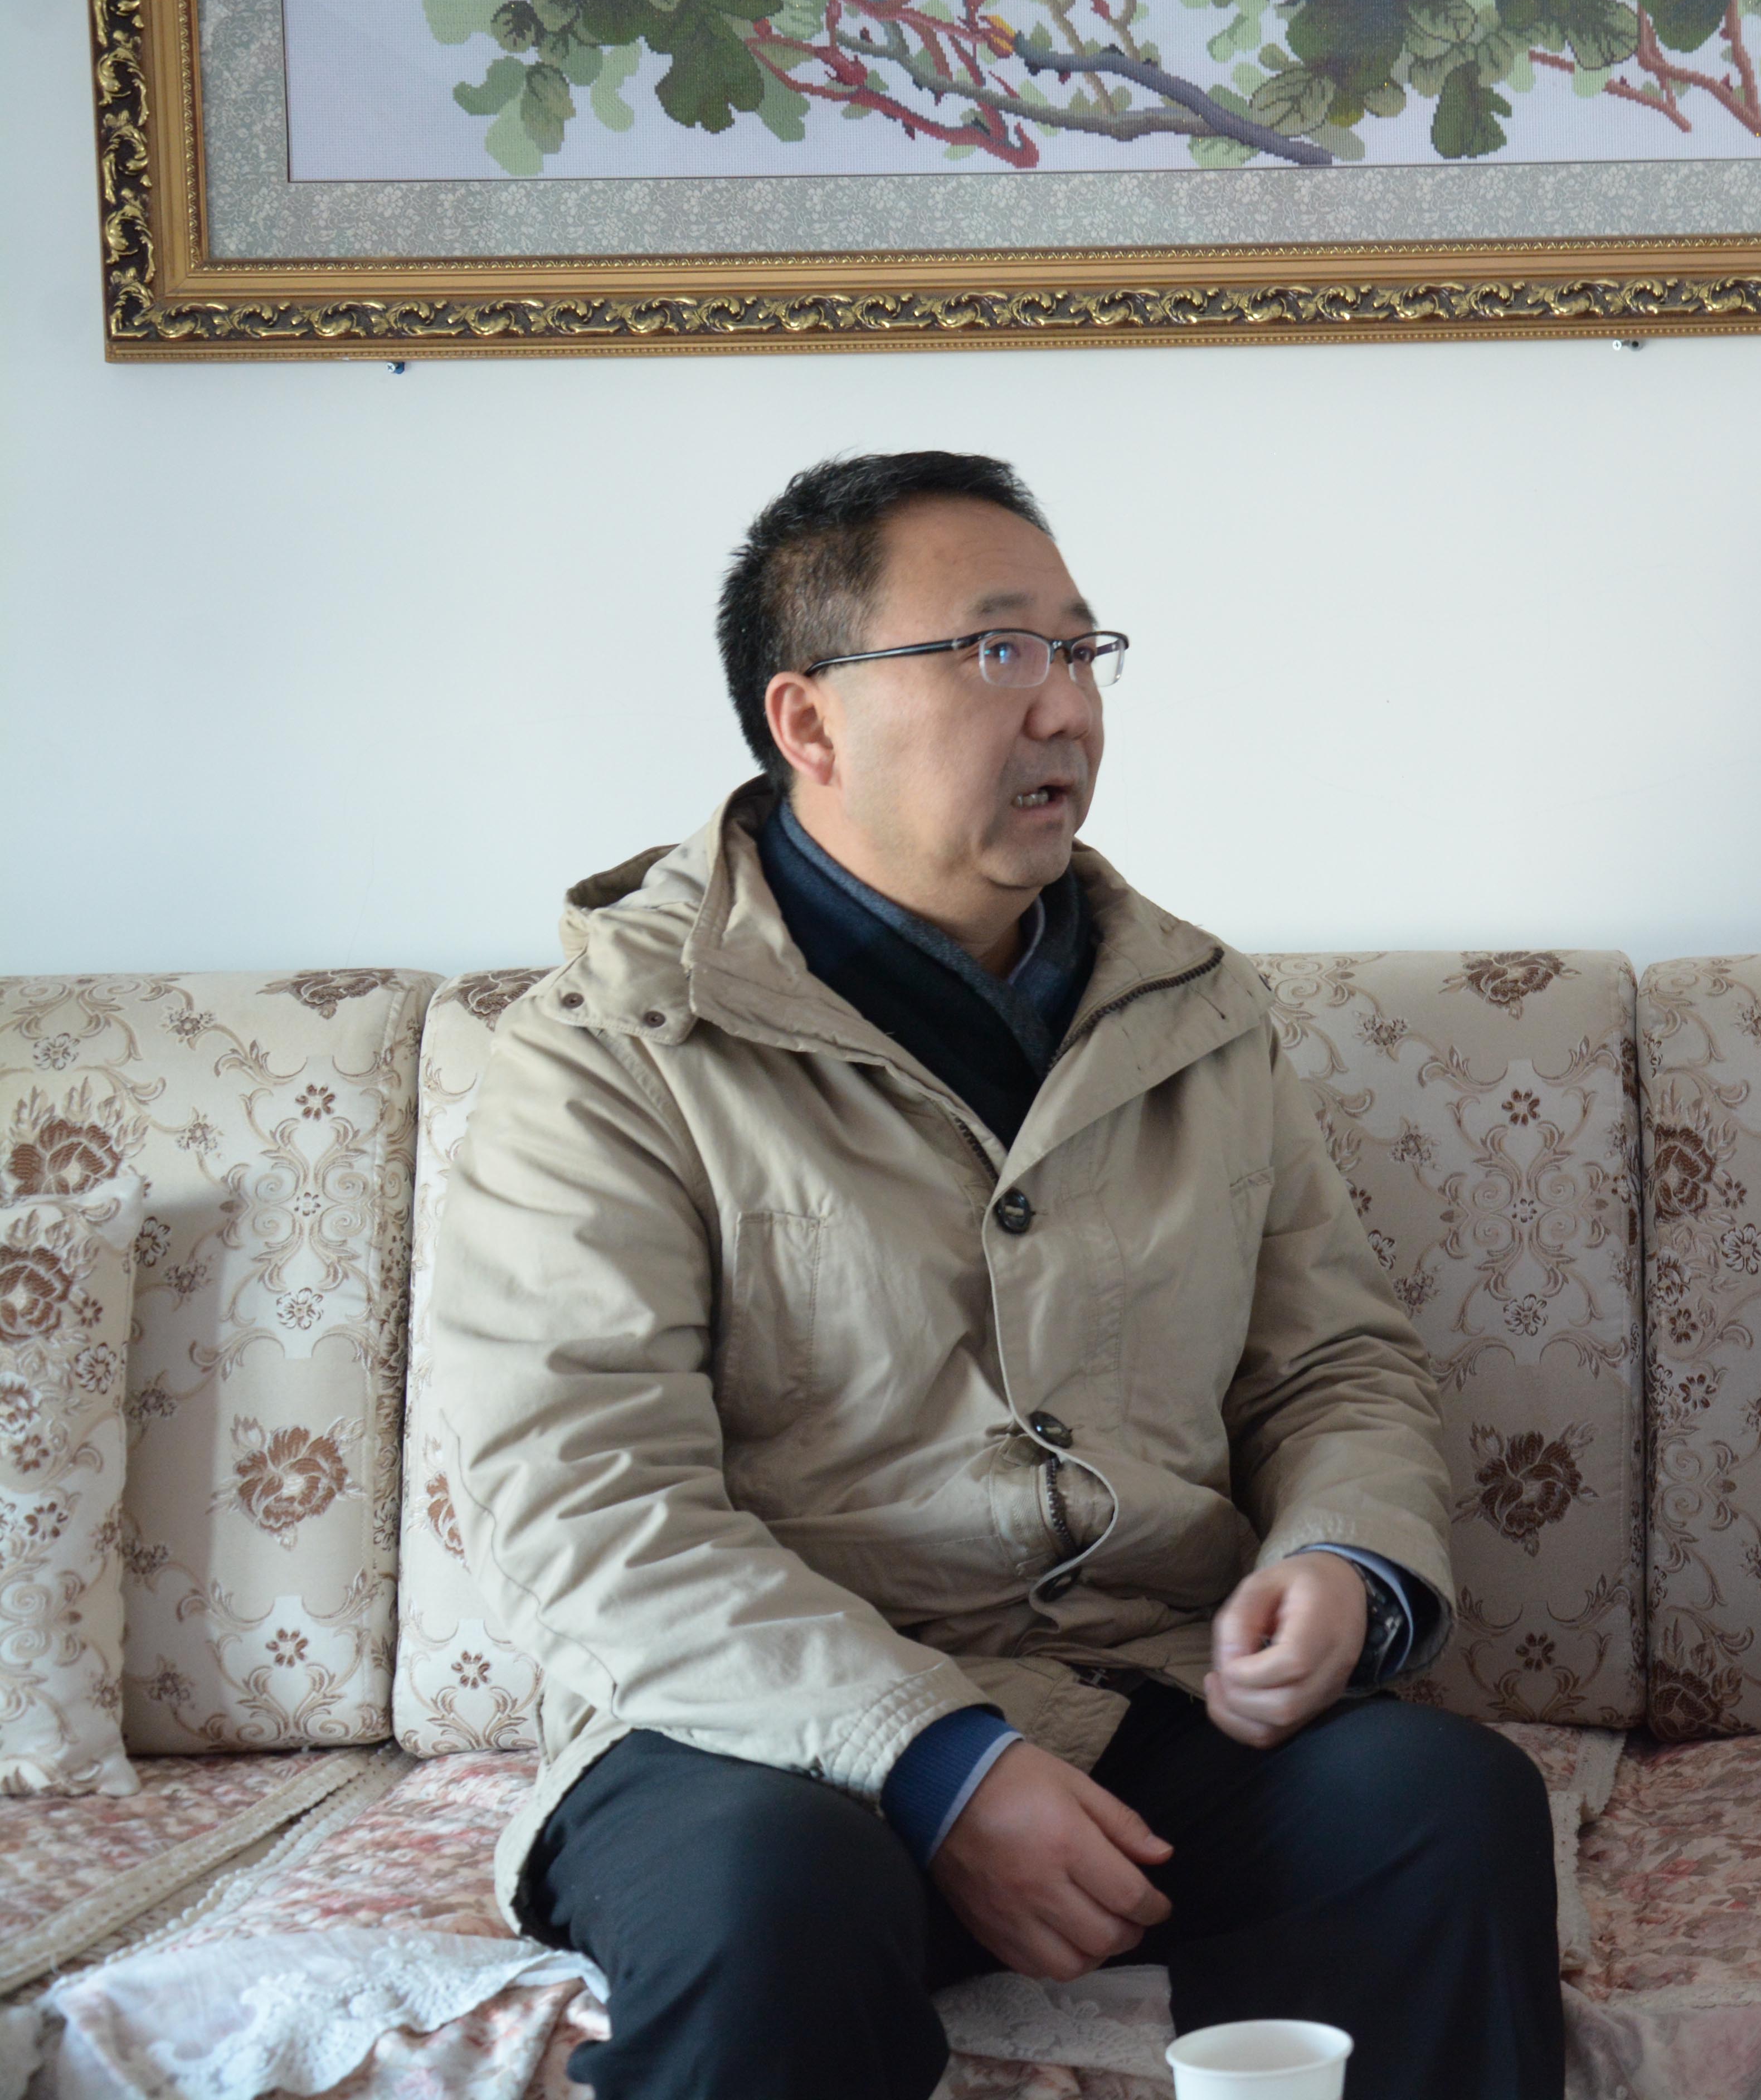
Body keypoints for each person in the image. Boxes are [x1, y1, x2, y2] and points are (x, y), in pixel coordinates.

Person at [432, 452, 1563, 2100]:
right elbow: (583, 1504)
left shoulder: (1197, 1013)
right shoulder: (611, 1051)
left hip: (1135, 1690)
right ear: (810, 723)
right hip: (739, 1733)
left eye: (1081, 651)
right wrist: (940, 1763)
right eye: (995, 651)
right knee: (775, 1902)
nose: (1065, 709)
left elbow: (1333, 1366)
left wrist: (1343, 1560)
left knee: (1440, 1809)